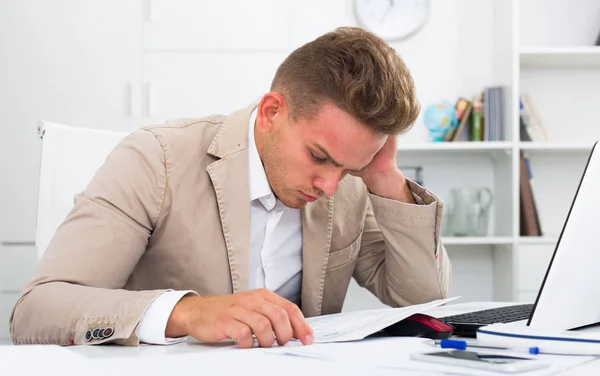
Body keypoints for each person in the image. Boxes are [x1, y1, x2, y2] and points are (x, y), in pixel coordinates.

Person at [10, 26, 451, 348]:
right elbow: (36, 309)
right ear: (272, 111)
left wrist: (382, 178)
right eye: (319, 156)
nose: (330, 186)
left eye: (349, 167)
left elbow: (425, 300)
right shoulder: (156, 159)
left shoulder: (349, 184)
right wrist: (188, 312)